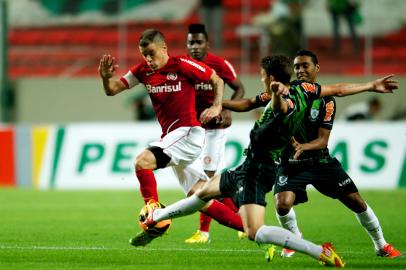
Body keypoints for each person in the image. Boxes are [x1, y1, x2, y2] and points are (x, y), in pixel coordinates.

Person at [137, 55, 397, 266]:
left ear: (271, 79)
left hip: (258, 171)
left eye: (262, 76)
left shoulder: (284, 101)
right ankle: (157, 216)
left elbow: (282, 108)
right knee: (202, 193)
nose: (260, 79)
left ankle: (320, 251)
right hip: (248, 165)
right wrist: (370, 85)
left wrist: (275, 94)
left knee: (255, 232)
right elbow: (337, 89)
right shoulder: (305, 90)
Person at [98, 29, 246, 246]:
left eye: (151, 53)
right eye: (144, 55)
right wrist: (105, 78)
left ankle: (152, 213)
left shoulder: (182, 65)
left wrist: (217, 107)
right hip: (173, 137)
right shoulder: (142, 71)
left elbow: (217, 80)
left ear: (164, 48)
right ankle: (254, 230)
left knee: (142, 161)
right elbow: (112, 90)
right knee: (200, 197)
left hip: (189, 133)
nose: (148, 59)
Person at [272, 50, 402, 258]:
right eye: (297, 66)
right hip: (291, 162)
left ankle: (381, 245)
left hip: (320, 160)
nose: (300, 70)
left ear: (317, 68)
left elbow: (323, 139)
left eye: (305, 65)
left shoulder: (327, 101)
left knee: (357, 202)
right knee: (282, 203)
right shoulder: (289, 91)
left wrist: (304, 146)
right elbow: (276, 115)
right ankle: (294, 239)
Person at [184, 23, 246, 244]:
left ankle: (204, 232)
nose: (195, 46)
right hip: (192, 130)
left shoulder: (219, 64)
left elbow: (239, 88)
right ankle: (241, 216)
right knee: (208, 180)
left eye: (199, 42)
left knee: (208, 180)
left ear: (207, 44)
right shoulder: (183, 65)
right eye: (191, 42)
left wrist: (226, 108)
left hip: (214, 130)